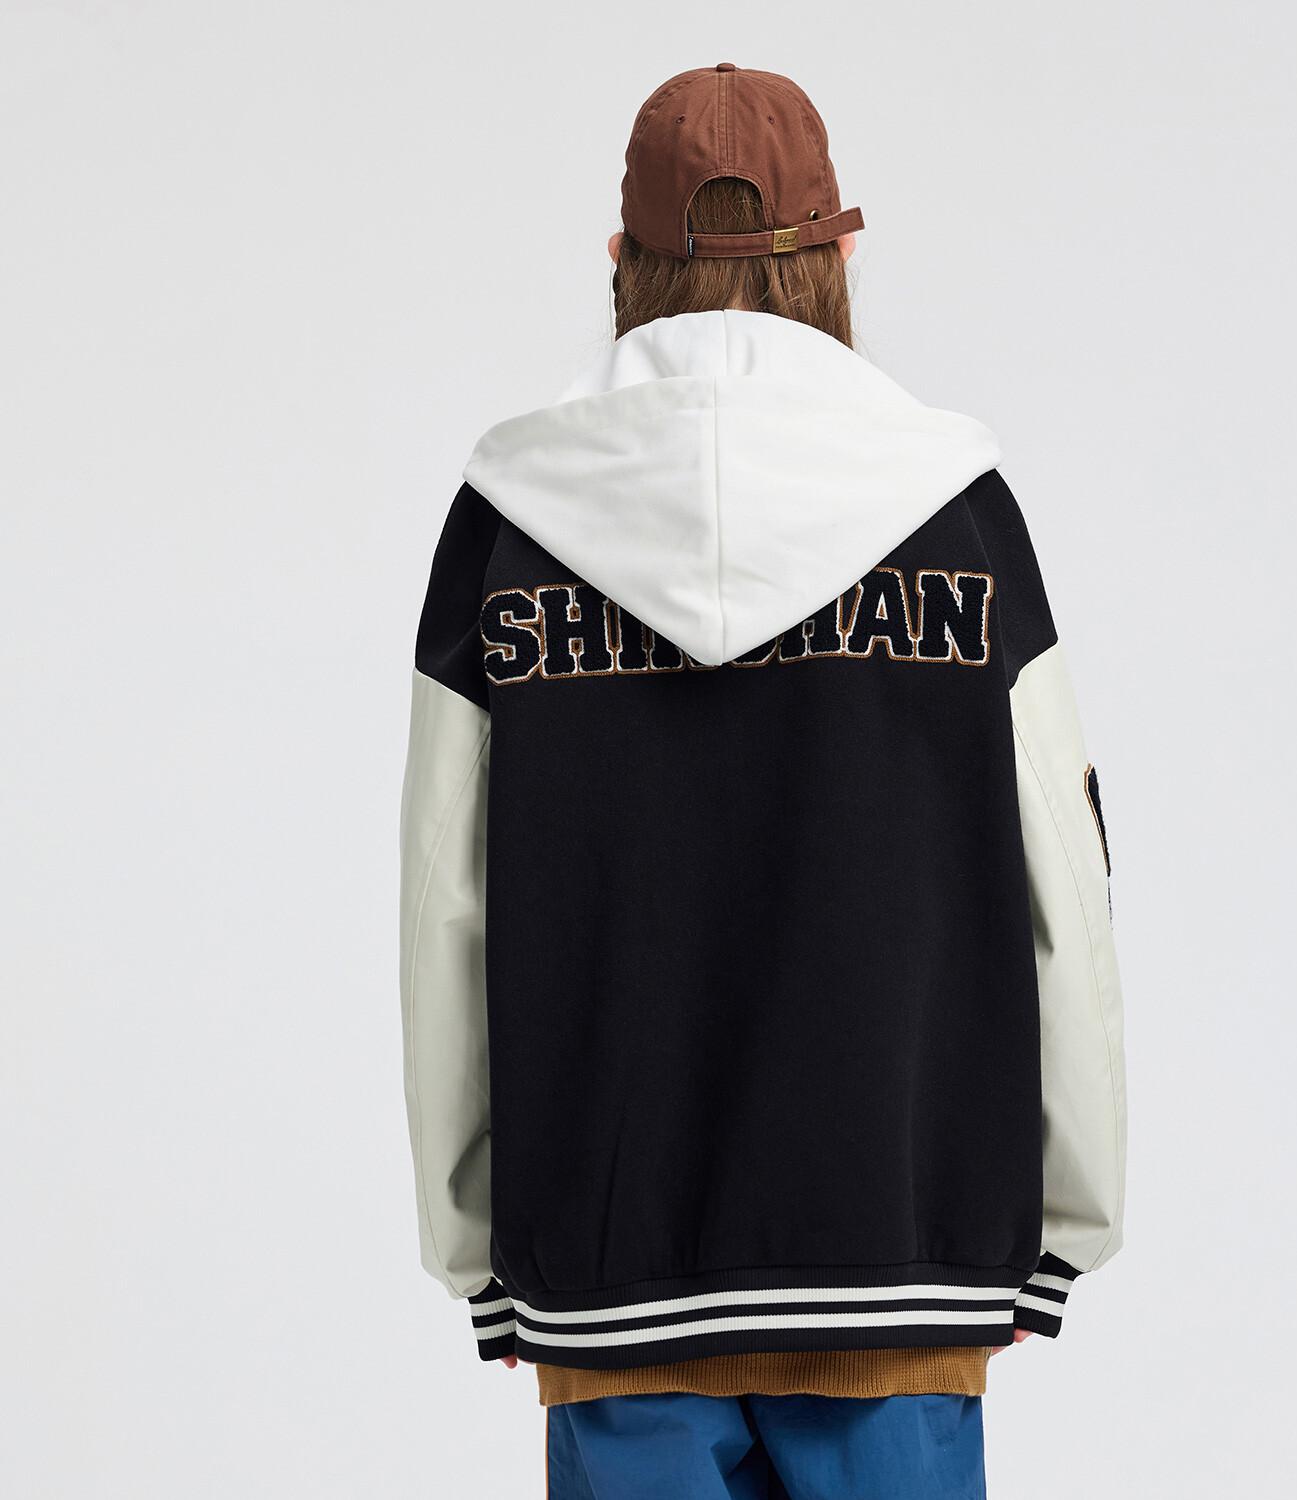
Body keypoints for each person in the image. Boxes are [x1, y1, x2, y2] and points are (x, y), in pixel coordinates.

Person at [399, 62, 1126, 1500]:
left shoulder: (507, 525)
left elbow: (445, 904)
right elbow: (1067, 885)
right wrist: (1064, 1220)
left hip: (611, 1267)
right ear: (838, 254)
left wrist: (475, 1245)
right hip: (901, 1251)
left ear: (623, 259)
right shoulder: (959, 514)